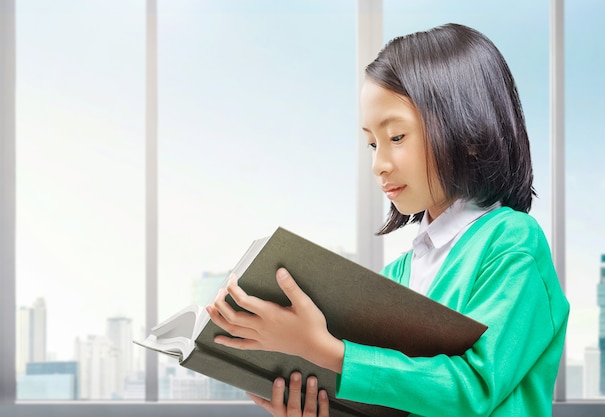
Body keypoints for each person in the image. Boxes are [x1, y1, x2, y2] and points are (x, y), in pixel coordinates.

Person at [206, 23, 569, 417]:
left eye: (396, 137)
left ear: (470, 135)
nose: (379, 164)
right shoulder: (397, 274)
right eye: (371, 144)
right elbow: (394, 398)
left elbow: (473, 389)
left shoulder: (512, 242)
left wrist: (326, 351)